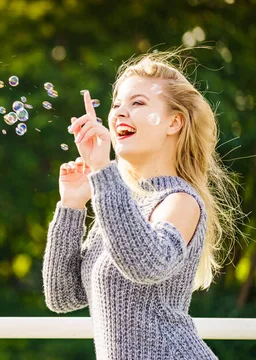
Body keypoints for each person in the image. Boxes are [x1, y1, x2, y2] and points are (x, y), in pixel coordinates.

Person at [42, 52, 241, 359]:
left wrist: (102, 170)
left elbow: (143, 265)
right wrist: (71, 205)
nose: (120, 112)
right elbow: (63, 296)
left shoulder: (180, 200)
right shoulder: (122, 205)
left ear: (174, 122)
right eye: (117, 104)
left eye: (137, 103)